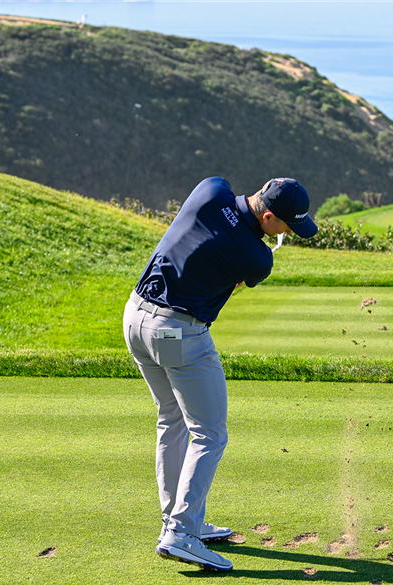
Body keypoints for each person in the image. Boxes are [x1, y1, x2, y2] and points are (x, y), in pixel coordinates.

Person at [123, 177, 317, 571]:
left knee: (172, 419)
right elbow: (244, 273)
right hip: (174, 331)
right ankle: (181, 532)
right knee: (209, 433)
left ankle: (178, 520)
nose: (288, 233)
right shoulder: (259, 258)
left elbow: (211, 224)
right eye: (286, 225)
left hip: (135, 318)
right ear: (268, 217)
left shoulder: (211, 189)